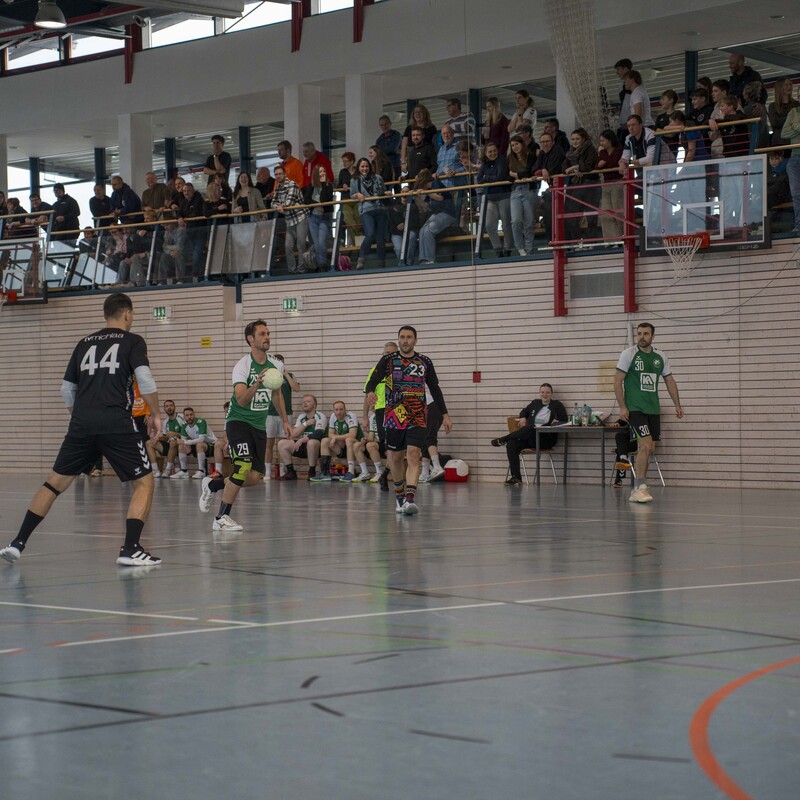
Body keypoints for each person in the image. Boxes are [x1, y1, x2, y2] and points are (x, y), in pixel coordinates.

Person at [0, 293, 161, 566]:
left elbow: (67, 390)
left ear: (105, 314)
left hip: (81, 425)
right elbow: (144, 378)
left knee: (54, 483)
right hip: (116, 422)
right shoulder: (133, 341)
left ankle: (17, 543)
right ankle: (131, 549)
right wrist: (155, 413)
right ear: (127, 314)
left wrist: (81, 418)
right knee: (144, 482)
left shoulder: (84, 343)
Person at [198, 319, 291, 531]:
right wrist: (257, 383)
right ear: (250, 339)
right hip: (238, 422)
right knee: (241, 468)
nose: (267, 337)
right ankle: (221, 518)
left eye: (268, 333)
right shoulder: (243, 366)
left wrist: (285, 420)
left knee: (254, 477)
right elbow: (240, 400)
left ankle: (212, 484)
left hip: (259, 426)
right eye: (262, 334)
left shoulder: (276, 365)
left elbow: (277, 395)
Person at [364, 325, 452, 515]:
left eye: (409, 337)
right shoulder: (388, 360)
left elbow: (435, 388)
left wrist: (445, 414)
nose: (405, 340)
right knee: (395, 457)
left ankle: (410, 499)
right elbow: (373, 380)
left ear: (415, 340)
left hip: (417, 414)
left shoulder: (424, 362)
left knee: (413, 453)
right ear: (398, 340)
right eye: (402, 337)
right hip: (394, 414)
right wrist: (370, 392)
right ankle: (399, 496)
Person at [614, 322, 684, 504]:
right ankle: (639, 487)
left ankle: (639, 486)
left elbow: (669, 381)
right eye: (639, 333)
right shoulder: (629, 354)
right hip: (635, 408)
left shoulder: (660, 356)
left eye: (646, 334)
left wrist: (677, 405)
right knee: (645, 445)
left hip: (653, 408)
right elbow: (617, 381)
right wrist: (622, 407)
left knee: (650, 447)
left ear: (653, 336)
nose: (642, 337)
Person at [489, 383, 568, 486]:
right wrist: (523, 417)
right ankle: (516, 478)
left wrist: (556, 422)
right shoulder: (535, 403)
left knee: (531, 427)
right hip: (530, 438)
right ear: (539, 393)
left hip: (545, 439)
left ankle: (503, 439)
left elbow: (564, 421)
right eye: (542, 392)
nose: (544, 395)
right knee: (512, 444)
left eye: (547, 392)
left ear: (551, 393)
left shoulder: (557, 405)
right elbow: (524, 411)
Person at [362, 340, 399, 490]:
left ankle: (386, 474)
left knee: (397, 448)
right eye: (386, 353)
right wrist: (365, 416)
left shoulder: (401, 371)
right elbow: (367, 395)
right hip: (381, 411)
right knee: (390, 447)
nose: (388, 356)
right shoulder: (375, 371)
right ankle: (389, 476)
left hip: (398, 411)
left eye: (392, 353)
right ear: (382, 354)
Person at [266, 353, 300, 478]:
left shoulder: (289, 375)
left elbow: (296, 388)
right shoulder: (268, 376)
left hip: (286, 414)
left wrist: (286, 375)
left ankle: (283, 470)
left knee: (283, 443)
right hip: (270, 414)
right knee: (269, 444)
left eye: (281, 362)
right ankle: (267, 471)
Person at [277, 394, 326, 481]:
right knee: (282, 443)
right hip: (304, 446)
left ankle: (312, 472)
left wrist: (303, 439)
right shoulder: (301, 417)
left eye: (308, 401)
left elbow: (318, 433)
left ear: (314, 404)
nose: (305, 403)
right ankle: (290, 472)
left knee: (311, 442)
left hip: (318, 448)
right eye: (303, 402)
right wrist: (305, 424)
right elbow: (294, 434)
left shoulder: (320, 416)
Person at [270, 165, 309, 274]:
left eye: (280, 174)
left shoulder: (292, 184)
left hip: (300, 216)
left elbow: (289, 203)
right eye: (276, 174)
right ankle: (292, 270)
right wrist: (278, 206)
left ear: (284, 174)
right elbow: (272, 203)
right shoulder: (277, 187)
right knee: (288, 246)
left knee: (301, 244)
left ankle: (302, 269)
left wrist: (280, 206)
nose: (278, 176)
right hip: (289, 219)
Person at [414, 168, 457, 266]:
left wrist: (426, 192)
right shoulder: (428, 190)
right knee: (422, 230)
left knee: (429, 230)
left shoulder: (435, 183)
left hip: (447, 213)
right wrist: (417, 198)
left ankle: (429, 259)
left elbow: (440, 197)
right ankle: (423, 259)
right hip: (437, 214)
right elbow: (427, 207)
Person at [309, 401, 361, 482]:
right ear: (333, 410)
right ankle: (325, 474)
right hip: (342, 448)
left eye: (341, 409)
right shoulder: (333, 416)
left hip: (357, 448)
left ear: (345, 409)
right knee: (325, 440)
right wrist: (335, 438)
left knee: (349, 440)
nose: (339, 412)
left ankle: (351, 472)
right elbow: (330, 434)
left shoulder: (351, 416)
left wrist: (336, 438)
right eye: (336, 410)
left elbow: (352, 434)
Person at [350, 157, 387, 269]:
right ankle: (361, 258)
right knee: (370, 234)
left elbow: (382, 191)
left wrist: (387, 193)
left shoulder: (378, 177)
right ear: (358, 167)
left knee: (380, 237)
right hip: (366, 210)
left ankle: (381, 263)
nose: (365, 168)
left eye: (366, 166)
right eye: (362, 166)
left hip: (380, 208)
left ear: (370, 167)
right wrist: (357, 194)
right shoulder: (354, 180)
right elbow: (352, 195)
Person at [477, 141, 513, 257]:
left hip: (504, 196)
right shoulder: (484, 164)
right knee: (489, 225)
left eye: (494, 151)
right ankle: (497, 249)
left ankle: (507, 248)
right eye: (490, 152)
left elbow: (501, 177)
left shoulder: (502, 160)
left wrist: (487, 177)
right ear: (486, 153)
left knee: (506, 224)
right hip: (490, 198)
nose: (492, 153)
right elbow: (479, 179)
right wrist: (492, 178)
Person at [508, 134, 537, 256]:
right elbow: (507, 176)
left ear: (522, 144)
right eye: (512, 145)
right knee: (515, 221)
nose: (515, 147)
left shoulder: (530, 156)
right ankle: (520, 248)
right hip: (515, 191)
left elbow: (529, 172)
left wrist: (515, 175)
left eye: (517, 144)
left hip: (529, 190)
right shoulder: (510, 158)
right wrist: (520, 176)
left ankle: (529, 249)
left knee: (529, 222)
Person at [303, 164, 334, 271]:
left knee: (321, 242)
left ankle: (323, 265)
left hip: (324, 218)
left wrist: (324, 184)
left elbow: (325, 200)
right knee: (316, 244)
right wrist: (317, 204)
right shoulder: (311, 186)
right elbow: (306, 200)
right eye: (320, 172)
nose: (323, 174)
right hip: (313, 218)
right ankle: (319, 266)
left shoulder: (328, 186)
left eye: (324, 171)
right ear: (316, 174)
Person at [596, 130, 624, 240]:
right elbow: (597, 165)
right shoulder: (602, 152)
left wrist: (603, 161)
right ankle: (611, 239)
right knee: (605, 212)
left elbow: (613, 163)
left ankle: (623, 237)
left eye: (603, 141)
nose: (601, 143)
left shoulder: (619, 150)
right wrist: (600, 164)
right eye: (600, 141)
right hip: (606, 183)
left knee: (618, 211)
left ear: (610, 140)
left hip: (618, 182)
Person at [781, 95, 800, 234]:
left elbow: (790, 130)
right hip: (794, 156)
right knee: (796, 195)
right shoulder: (793, 112)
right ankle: (799, 225)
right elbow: (783, 133)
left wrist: (795, 126)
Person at [401, 105, 437, 175]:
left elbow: (435, 144)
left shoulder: (431, 128)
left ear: (425, 114)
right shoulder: (409, 128)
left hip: (426, 155)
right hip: (412, 154)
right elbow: (403, 147)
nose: (417, 114)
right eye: (415, 112)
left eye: (420, 112)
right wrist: (403, 162)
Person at [157, 399, 184, 478]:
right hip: (171, 444)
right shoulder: (165, 421)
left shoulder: (181, 418)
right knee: (150, 443)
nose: (169, 408)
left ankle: (168, 469)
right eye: (166, 406)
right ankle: (156, 470)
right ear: (164, 409)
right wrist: (159, 438)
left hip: (184, 444)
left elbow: (189, 435)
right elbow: (166, 437)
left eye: (171, 406)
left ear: (175, 407)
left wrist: (175, 434)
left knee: (173, 441)